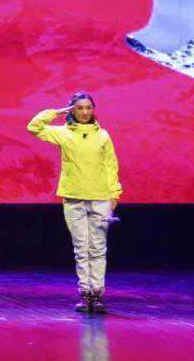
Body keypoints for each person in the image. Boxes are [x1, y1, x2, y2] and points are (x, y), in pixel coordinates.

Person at [27, 93, 121, 314]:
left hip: (100, 198)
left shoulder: (103, 135)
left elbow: (111, 165)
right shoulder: (64, 133)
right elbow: (34, 127)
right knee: (81, 249)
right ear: (72, 110)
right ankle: (85, 295)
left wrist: (114, 193)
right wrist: (57, 112)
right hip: (73, 198)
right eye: (79, 108)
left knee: (97, 248)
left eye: (89, 107)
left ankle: (97, 294)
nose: (85, 112)